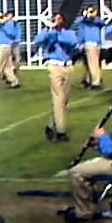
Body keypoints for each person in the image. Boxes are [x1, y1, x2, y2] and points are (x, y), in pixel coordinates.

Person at [64, 85, 112, 223]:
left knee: (76, 172)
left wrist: (102, 136)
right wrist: (97, 144)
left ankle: (84, 212)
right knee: (85, 171)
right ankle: (89, 206)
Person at [34, 13, 80, 142]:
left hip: (68, 67)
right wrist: (49, 29)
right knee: (58, 98)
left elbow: (72, 42)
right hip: (54, 66)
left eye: (59, 19)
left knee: (64, 100)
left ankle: (51, 125)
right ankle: (61, 131)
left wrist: (57, 34)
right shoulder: (49, 33)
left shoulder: (69, 33)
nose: (56, 21)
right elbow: (38, 41)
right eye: (54, 19)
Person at [0, 11, 21, 89]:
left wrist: (3, 24)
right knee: (7, 66)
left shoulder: (10, 24)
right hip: (3, 47)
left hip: (4, 47)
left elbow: (12, 34)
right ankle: (15, 82)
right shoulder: (0, 24)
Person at [73, 6, 105, 89]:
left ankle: (88, 80)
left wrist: (92, 17)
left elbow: (102, 23)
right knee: (92, 64)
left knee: (94, 63)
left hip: (97, 44)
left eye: (93, 11)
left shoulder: (96, 21)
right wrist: (86, 16)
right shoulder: (83, 21)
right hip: (88, 44)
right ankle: (95, 82)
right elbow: (77, 22)